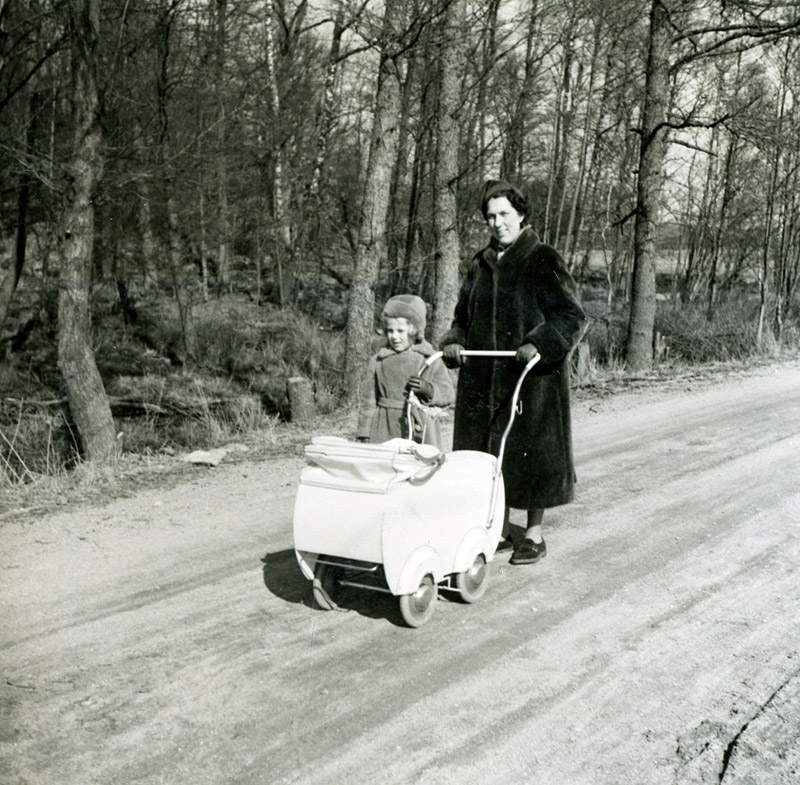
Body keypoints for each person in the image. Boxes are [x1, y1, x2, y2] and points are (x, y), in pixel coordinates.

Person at [440, 179, 585, 565]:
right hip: (483, 379)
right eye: (490, 216)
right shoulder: (479, 264)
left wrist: (539, 342)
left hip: (531, 379)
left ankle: (533, 534)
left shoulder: (543, 258)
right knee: (486, 454)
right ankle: (498, 530)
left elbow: (571, 316)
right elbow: (461, 316)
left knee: (531, 453)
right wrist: (454, 339)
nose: (497, 223)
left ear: (521, 214)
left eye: (504, 214)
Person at [357, 294, 454, 449]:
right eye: (390, 331)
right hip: (384, 427)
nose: (394, 336)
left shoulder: (430, 359)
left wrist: (428, 389)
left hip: (421, 427)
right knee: (384, 469)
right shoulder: (378, 360)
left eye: (401, 331)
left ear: (415, 330)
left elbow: (448, 393)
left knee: (420, 469)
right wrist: (364, 432)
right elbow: (368, 401)